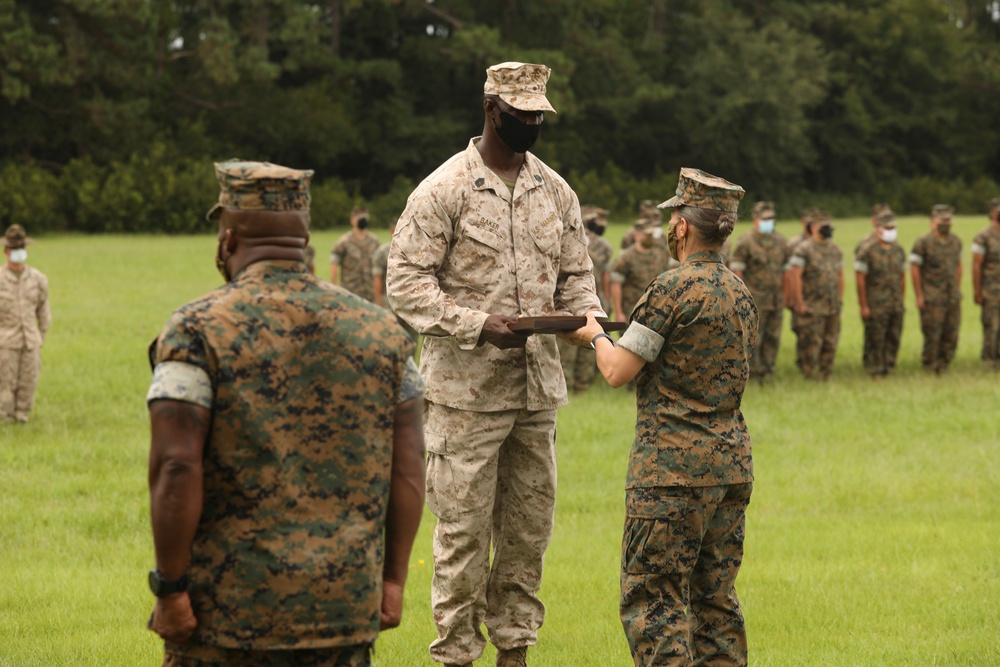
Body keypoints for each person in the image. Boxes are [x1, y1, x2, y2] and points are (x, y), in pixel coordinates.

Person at [146, 160, 426, 667]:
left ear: (228, 240)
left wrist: (169, 589)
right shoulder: (384, 335)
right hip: (342, 616)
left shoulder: (195, 330)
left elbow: (176, 465)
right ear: (303, 239)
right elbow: (408, 468)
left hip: (226, 619)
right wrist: (392, 583)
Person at [386, 61, 605, 667]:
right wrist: (478, 324)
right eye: (522, 113)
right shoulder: (444, 189)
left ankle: (515, 650)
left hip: (537, 395)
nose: (532, 122)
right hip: (465, 396)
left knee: (528, 533)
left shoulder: (556, 191)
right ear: (492, 110)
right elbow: (404, 285)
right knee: (461, 536)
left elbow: (577, 279)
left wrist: (587, 325)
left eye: (539, 114)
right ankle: (456, 654)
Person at [565, 168, 757, 667]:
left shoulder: (670, 290)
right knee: (716, 601)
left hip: (670, 474)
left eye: (673, 217)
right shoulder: (740, 292)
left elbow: (617, 370)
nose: (670, 226)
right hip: (731, 467)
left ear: (684, 226)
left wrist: (594, 336)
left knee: (655, 603)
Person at [730, 201, 789, 383]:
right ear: (756, 220)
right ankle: (754, 373)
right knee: (755, 337)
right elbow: (737, 273)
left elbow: (785, 270)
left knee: (773, 335)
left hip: (775, 298)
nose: (769, 222)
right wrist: (742, 299)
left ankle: (769, 369)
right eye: (765, 219)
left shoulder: (780, 241)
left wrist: (786, 294)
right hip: (755, 299)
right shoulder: (746, 242)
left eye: (771, 219)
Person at [558, 205, 612, 393]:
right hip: (567, 304)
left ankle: (582, 388)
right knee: (567, 351)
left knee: (588, 349)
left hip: (592, 302)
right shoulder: (564, 240)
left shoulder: (602, 246)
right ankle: (567, 388)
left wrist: (606, 300)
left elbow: (606, 273)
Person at [0, 224, 51, 424]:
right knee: (5, 383)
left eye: (21, 249)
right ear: (6, 251)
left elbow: (44, 311)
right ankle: (4, 419)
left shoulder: (38, 279)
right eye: (14, 249)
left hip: (30, 341)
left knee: (28, 383)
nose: (18, 253)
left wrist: (41, 337)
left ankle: (22, 419)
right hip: (5, 343)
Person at [788, 211, 843, 380]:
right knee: (811, 343)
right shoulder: (803, 250)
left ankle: (826, 373)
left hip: (831, 306)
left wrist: (839, 299)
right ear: (813, 228)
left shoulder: (836, 249)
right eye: (823, 227)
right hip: (812, 306)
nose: (827, 230)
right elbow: (795, 277)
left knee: (830, 342)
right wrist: (800, 303)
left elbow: (840, 276)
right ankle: (809, 374)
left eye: (829, 227)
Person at [910, 204, 962, 374]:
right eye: (942, 220)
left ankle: (944, 365)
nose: (946, 223)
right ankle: (930, 366)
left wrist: (957, 287)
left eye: (948, 219)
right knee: (933, 334)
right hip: (932, 297)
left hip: (952, 297)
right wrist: (919, 295)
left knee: (952, 334)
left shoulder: (955, 241)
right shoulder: (923, 243)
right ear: (933, 221)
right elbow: (915, 269)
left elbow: (958, 265)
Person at [854, 209, 907, 377]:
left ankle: (889, 366)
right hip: (876, 302)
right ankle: (873, 368)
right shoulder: (867, 251)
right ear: (878, 228)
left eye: (893, 228)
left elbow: (902, 277)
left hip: (894, 302)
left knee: (893, 336)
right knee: (875, 337)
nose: (891, 231)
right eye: (887, 228)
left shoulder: (898, 250)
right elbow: (860, 280)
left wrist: (901, 299)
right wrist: (864, 305)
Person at [611, 217, 673, 323]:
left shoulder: (661, 253)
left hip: (657, 310)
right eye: (646, 235)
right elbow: (616, 284)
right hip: (632, 310)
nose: (650, 238)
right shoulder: (626, 257)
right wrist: (618, 312)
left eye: (651, 235)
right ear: (637, 235)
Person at [372, 218, 418, 342]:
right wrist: (378, 304)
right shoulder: (382, 253)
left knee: (411, 339)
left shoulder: (414, 250)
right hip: (389, 303)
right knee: (390, 338)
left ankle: (410, 362)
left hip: (411, 302)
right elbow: (377, 279)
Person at [784, 207, 819, 368]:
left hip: (818, 295)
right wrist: (791, 298)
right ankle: (803, 362)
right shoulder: (794, 244)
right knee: (802, 329)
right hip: (801, 294)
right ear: (803, 223)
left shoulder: (821, 242)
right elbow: (789, 273)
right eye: (809, 222)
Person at [971, 198, 1000, 370]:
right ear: (992, 214)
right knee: (992, 326)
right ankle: (990, 361)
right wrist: (977, 291)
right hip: (991, 290)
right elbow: (976, 265)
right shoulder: (983, 236)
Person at [330, 206, 380, 301]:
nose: (363, 220)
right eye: (359, 218)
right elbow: (333, 264)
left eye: (365, 218)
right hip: (350, 294)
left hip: (370, 294)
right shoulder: (344, 242)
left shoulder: (374, 242)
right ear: (352, 220)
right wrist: (334, 288)